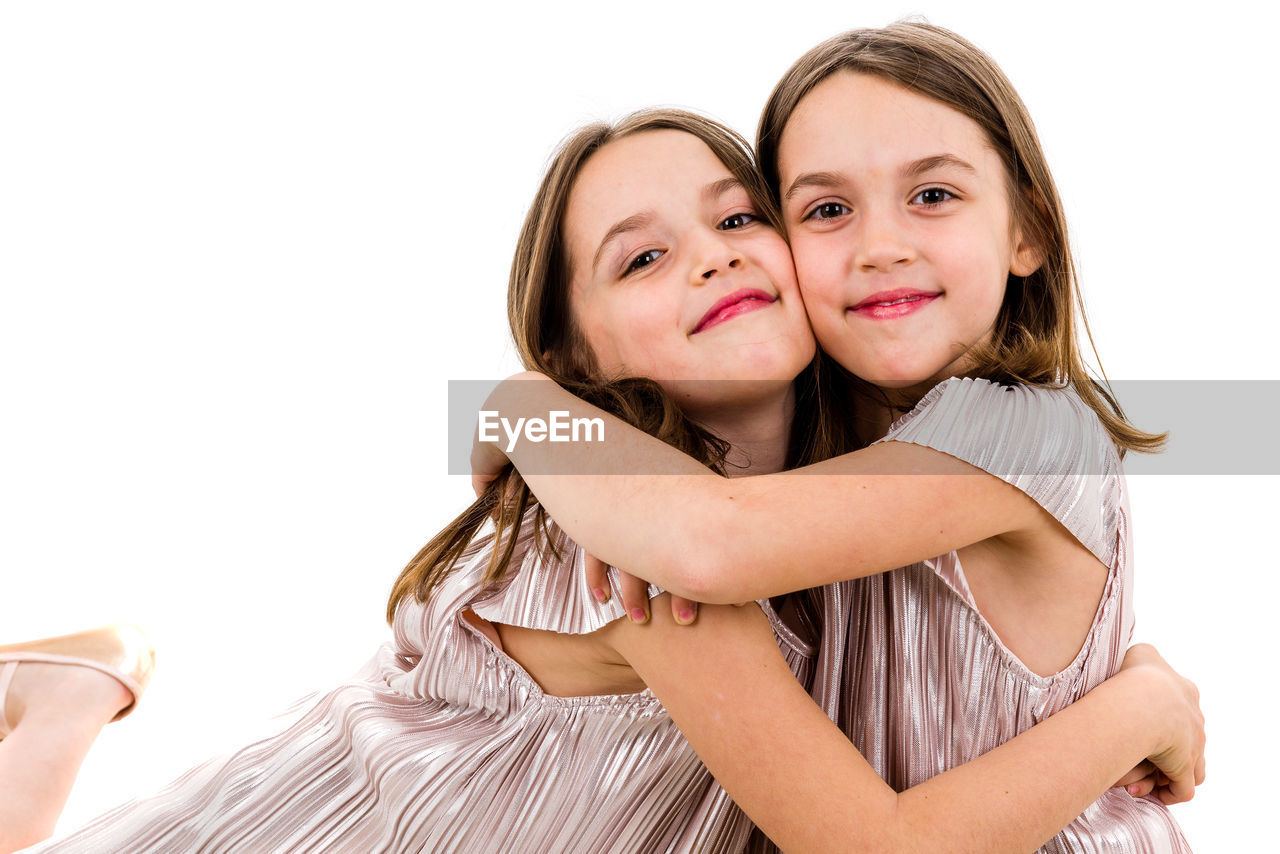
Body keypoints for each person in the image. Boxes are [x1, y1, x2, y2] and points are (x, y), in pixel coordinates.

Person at [2, 110, 1199, 854]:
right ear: (581, 363)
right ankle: (70, 692)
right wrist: (1135, 706)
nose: (712, 253)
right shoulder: (648, 549)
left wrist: (515, 413)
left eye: (741, 215)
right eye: (642, 257)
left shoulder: (831, 497)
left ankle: (68, 689)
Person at [470, 23, 1197, 853]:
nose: (881, 247)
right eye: (826, 209)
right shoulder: (797, 467)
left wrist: (522, 408)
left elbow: (715, 541)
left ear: (1026, 232)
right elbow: (709, 534)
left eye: (933, 195)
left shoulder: (1021, 429)